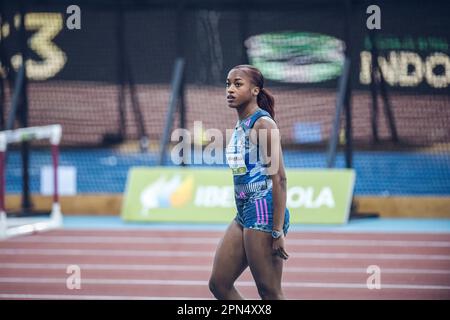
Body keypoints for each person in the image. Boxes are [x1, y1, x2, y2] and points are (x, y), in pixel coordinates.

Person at [209, 65, 290, 300]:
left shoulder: (263, 124)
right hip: (244, 211)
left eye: (238, 84)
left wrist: (277, 231)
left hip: (263, 211)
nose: (230, 90)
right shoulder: (240, 124)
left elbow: (280, 178)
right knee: (219, 283)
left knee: (270, 292)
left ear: (255, 90)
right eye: (227, 84)